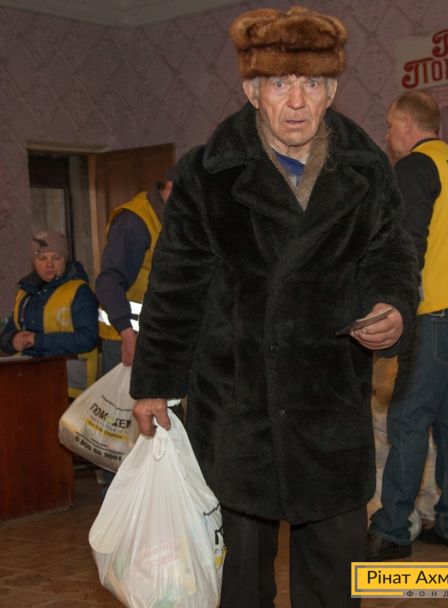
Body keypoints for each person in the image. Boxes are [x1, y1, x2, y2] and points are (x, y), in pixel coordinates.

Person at [130, 6, 419, 607]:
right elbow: (175, 285)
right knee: (239, 583)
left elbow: (392, 255)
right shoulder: (208, 174)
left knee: (336, 580)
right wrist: (154, 384)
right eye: (279, 83)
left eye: (312, 83)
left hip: (328, 402)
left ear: (332, 91)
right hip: (237, 407)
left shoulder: (367, 168)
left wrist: (392, 307)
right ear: (251, 91)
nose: (296, 101)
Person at [367, 90, 448, 561]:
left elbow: (408, 242)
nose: (388, 135)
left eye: (389, 125)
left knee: (408, 417)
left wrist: (392, 301)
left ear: (406, 122)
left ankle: (392, 530)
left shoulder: (415, 166)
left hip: (435, 310)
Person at [95, 166, 176, 374]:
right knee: (121, 397)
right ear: (171, 187)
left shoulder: (169, 219)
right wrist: (127, 334)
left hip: (158, 338)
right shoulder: (134, 222)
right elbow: (109, 281)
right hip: (127, 339)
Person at [0, 229, 98, 397]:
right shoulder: (25, 292)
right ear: (34, 262)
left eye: (56, 258)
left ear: (65, 260)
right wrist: (13, 339)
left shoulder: (79, 291)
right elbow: (7, 333)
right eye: (42, 258)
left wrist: (38, 340)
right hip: (29, 382)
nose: (49, 264)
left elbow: (88, 339)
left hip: (69, 387)